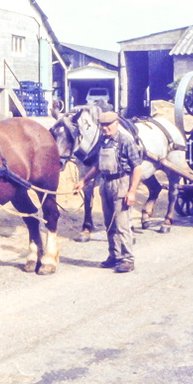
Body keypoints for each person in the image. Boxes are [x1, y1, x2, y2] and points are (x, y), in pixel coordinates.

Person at [74, 110, 143, 273]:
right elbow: (97, 165)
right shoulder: (103, 141)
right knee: (109, 223)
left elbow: (137, 167)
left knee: (122, 224)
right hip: (106, 184)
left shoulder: (126, 141)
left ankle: (127, 259)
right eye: (102, 125)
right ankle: (114, 255)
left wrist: (132, 191)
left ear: (116, 124)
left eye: (108, 125)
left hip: (121, 183)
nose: (105, 128)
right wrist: (84, 181)